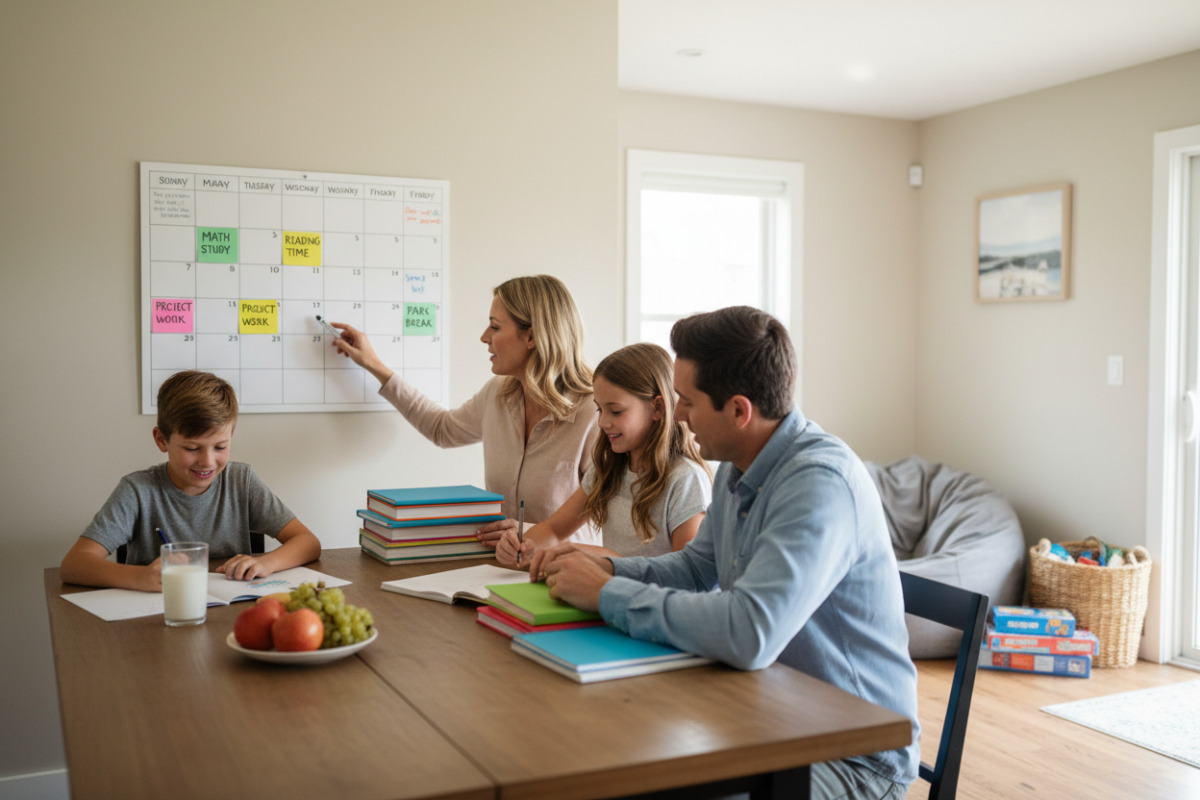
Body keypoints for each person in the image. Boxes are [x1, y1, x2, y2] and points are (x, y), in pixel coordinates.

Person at [535, 306, 920, 800]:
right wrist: (608, 566)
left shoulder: (819, 484)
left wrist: (608, 594)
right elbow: (697, 568)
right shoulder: (741, 465)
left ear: (739, 411)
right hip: (769, 710)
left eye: (687, 401)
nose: (678, 414)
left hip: (852, 754)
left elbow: (749, 631)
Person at [330, 274, 601, 546]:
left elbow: (601, 521)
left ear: (531, 336)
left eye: (495, 327)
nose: (484, 337)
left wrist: (530, 533)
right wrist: (373, 364)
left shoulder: (596, 413)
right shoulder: (497, 394)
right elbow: (442, 429)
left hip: (566, 566)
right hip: (501, 563)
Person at [61, 371, 322, 591]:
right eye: (192, 448)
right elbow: (74, 564)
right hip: (156, 615)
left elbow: (308, 542)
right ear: (161, 440)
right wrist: (140, 577)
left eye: (220, 447)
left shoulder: (242, 481)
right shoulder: (137, 491)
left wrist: (267, 562)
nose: (207, 461)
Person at [495, 342, 712, 568]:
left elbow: (687, 574)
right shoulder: (608, 469)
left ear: (657, 408)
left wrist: (607, 559)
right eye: (599, 409)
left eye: (616, 411)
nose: (602, 422)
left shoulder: (686, 480)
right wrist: (521, 546)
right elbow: (554, 530)